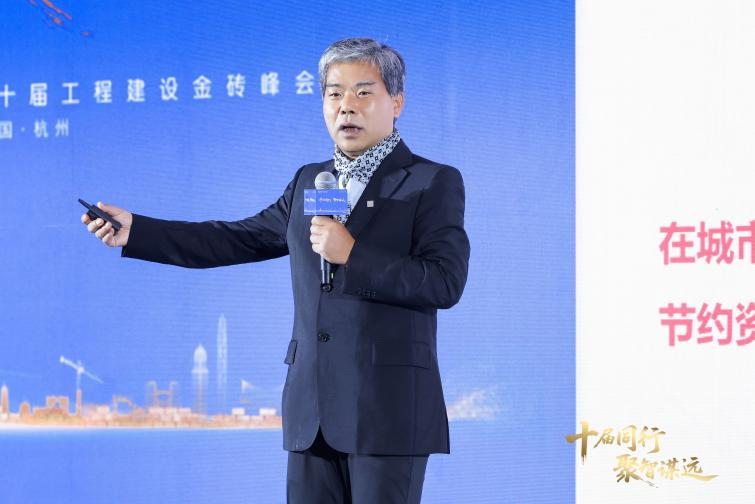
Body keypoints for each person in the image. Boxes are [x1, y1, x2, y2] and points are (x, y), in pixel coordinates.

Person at [82, 37, 470, 504]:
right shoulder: (311, 181)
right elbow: (235, 238)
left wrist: (353, 255)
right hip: (312, 411)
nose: (346, 106)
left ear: (397, 102)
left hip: (387, 412)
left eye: (363, 92)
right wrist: (138, 231)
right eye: (334, 93)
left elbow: (444, 281)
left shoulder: (430, 181)